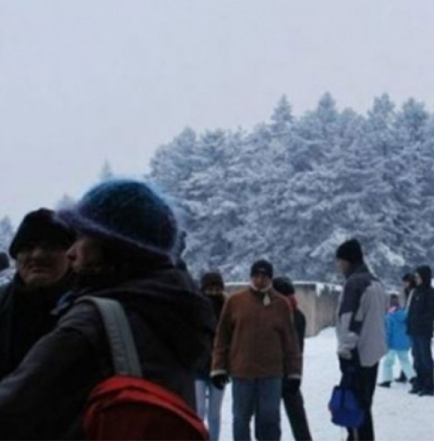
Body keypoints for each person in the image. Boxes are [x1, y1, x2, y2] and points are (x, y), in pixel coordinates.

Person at [0, 179, 216, 439]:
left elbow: (11, 407)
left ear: (112, 245)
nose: (71, 252)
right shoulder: (175, 307)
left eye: (81, 237)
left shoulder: (93, 322)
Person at [212, 259, 302, 441]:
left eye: (265, 276)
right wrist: (218, 367)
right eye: (257, 275)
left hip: (271, 373)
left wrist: (294, 373)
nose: (260, 280)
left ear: (270, 278)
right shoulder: (235, 302)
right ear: (251, 277)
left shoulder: (282, 304)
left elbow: (290, 342)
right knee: (241, 419)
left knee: (269, 419)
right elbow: (222, 336)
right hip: (242, 371)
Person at [0, 208, 75, 380]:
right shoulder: (2, 302)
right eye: (27, 247)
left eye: (50, 247)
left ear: (70, 255)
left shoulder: (89, 306)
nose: (38, 255)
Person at [335, 239, 388, 441]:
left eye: (340, 262)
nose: (338, 267)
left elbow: (350, 319)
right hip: (373, 353)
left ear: (347, 261)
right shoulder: (376, 282)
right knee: (364, 405)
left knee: (353, 408)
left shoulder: (354, 284)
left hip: (357, 354)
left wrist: (345, 350)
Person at [272, 276, 313, 441]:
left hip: (274, 371)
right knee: (297, 416)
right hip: (292, 372)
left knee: (270, 417)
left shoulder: (277, 313)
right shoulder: (298, 314)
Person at [196, 271, 228, 441]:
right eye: (210, 289)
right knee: (199, 410)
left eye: (216, 289)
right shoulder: (196, 307)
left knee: (214, 412)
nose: (213, 293)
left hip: (219, 367)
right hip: (199, 365)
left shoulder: (227, 308)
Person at [407, 265, 434, 397]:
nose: (416, 279)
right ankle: (419, 382)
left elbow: (433, 311)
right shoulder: (415, 292)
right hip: (414, 330)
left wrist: (421, 321)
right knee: (417, 358)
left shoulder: (430, 293)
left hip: (423, 331)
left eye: (418, 276)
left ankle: (429, 385)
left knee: (425, 358)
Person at [378, 293, 415, 388]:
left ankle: (387, 380)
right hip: (404, 343)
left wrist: (386, 342)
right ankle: (412, 378)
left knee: (388, 362)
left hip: (392, 344)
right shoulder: (405, 315)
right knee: (405, 361)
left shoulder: (390, 316)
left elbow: (388, 331)